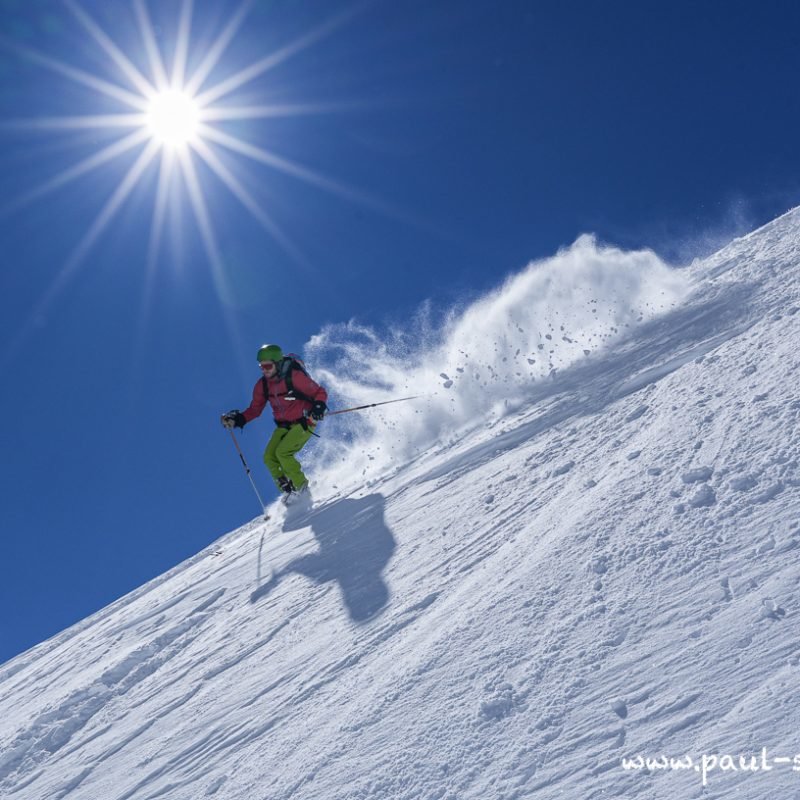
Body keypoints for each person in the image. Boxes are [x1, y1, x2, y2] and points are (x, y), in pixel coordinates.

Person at [221, 344, 328, 502]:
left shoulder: (294, 376)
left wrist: (318, 406)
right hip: (284, 426)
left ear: (277, 363)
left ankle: (302, 487)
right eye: (261, 367)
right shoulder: (262, 385)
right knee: (269, 457)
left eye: (268, 366)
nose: (264, 370)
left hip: (305, 421)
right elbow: (255, 409)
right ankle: (288, 491)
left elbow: (320, 392)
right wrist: (238, 419)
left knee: (283, 453)